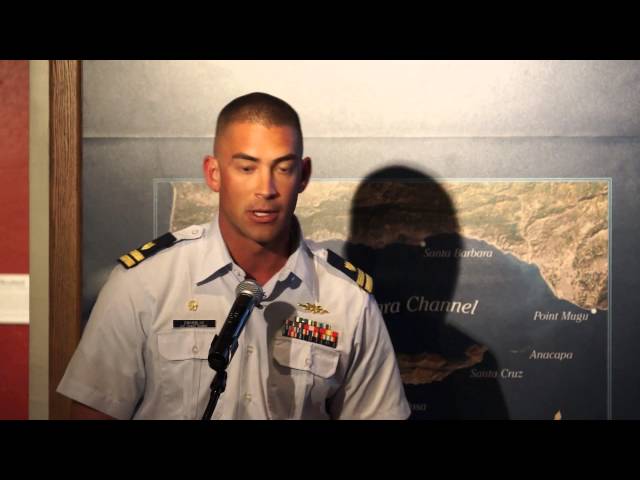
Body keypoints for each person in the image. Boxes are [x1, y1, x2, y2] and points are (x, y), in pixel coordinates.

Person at [57, 92, 410, 420]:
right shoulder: (144, 283)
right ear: (214, 173)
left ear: (303, 176)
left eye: (283, 169)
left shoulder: (347, 299)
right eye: (246, 168)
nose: (266, 189)